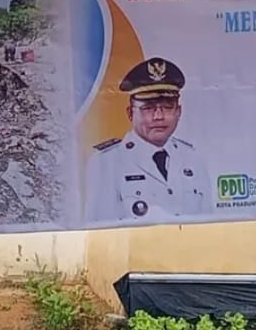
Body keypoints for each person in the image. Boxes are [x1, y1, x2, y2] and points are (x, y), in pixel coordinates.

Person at [85, 57, 206, 222]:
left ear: (178, 111)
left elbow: (209, 222)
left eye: (167, 107)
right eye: (148, 109)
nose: (158, 117)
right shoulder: (107, 162)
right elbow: (100, 233)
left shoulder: (192, 158)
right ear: (130, 113)